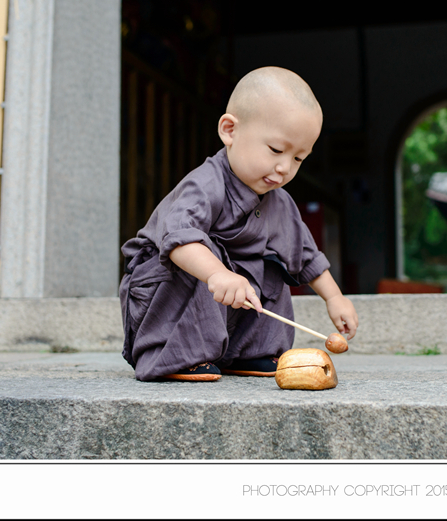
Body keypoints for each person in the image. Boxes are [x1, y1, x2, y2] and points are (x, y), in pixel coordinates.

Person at [119, 66, 359, 381]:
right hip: (163, 294)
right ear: (230, 130)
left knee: (273, 262)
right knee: (207, 253)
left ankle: (251, 351)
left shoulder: (280, 202)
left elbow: (305, 255)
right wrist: (217, 273)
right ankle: (174, 353)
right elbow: (178, 240)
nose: (285, 167)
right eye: (276, 149)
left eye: (299, 158)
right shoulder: (205, 184)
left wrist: (334, 297)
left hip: (227, 304)